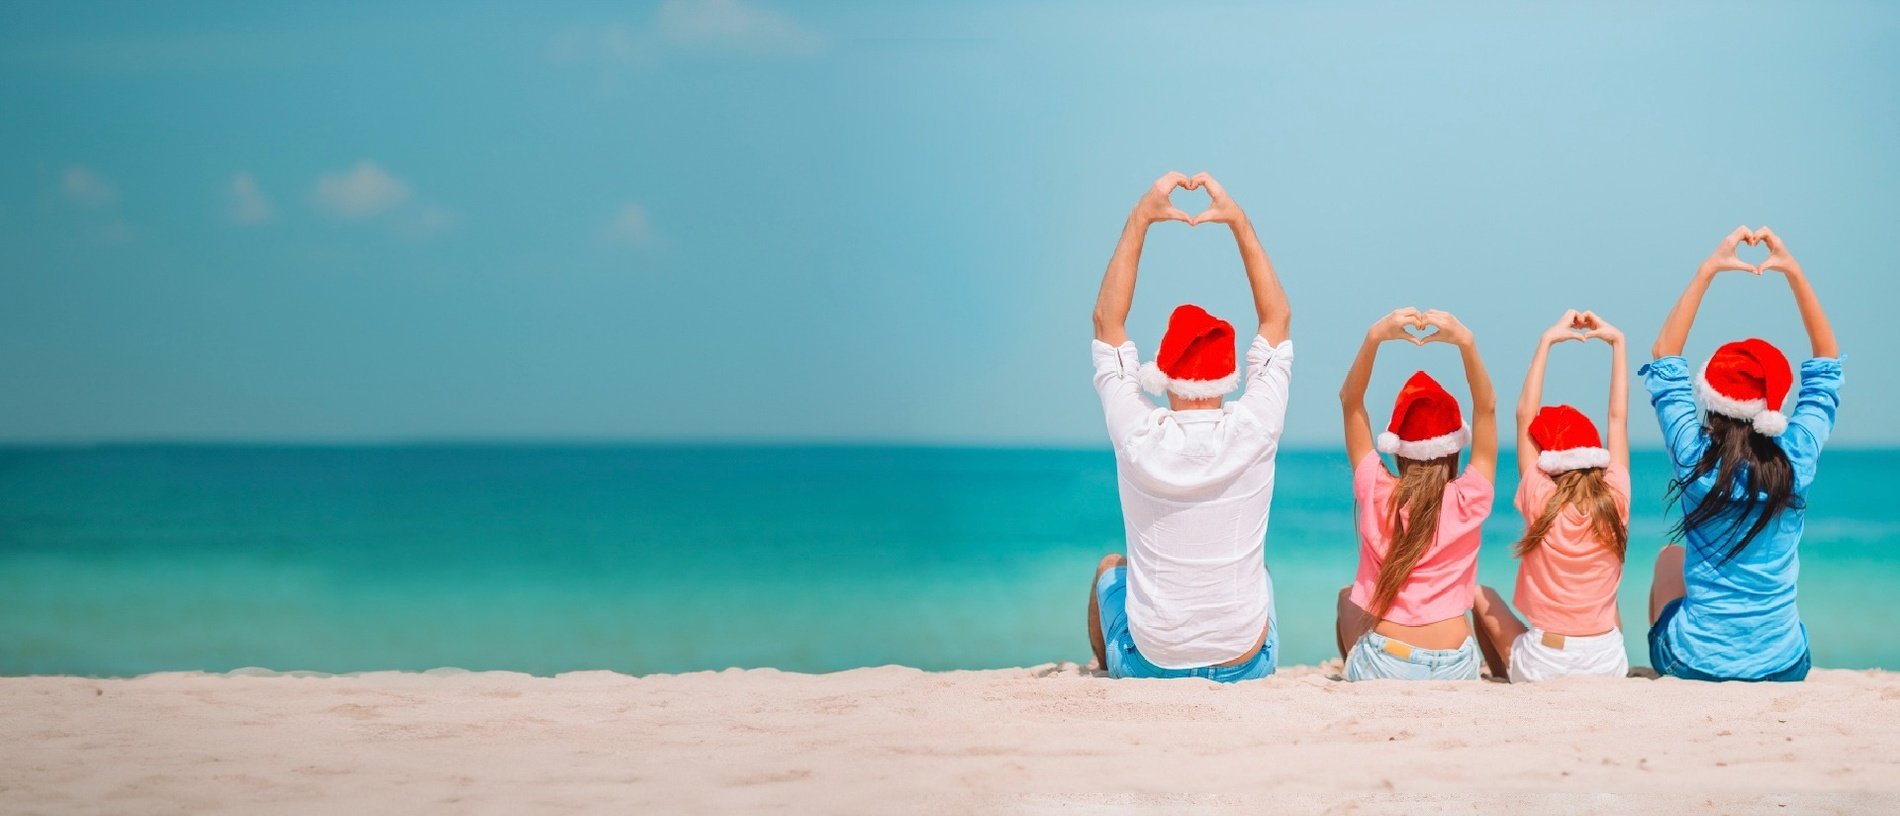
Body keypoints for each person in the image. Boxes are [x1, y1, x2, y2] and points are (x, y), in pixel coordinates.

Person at [1086, 171, 1293, 682]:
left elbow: (1106, 325)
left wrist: (1140, 220)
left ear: (1164, 375)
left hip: (1151, 667)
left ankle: (1111, 670)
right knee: (1259, 578)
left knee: (1110, 568)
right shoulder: (1255, 425)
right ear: (1228, 377)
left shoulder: (1139, 433)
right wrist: (1240, 224)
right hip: (1245, 666)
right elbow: (1277, 319)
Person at [1643, 226, 1841, 682]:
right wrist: (1794, 272)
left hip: (1693, 663)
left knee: (1669, 557)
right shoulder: (1796, 460)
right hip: (1786, 665)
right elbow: (1826, 364)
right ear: (1774, 406)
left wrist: (1706, 270)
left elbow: (1664, 355)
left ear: (1710, 403)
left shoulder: (1695, 459)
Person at [1334, 308, 1498, 681]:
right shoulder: (1471, 495)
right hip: (1456, 666)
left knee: (1347, 599)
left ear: (1397, 448)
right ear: (1455, 446)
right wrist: (1466, 343)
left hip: (1385, 662)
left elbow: (1350, 400)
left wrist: (1375, 336)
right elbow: (1486, 409)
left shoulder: (1377, 489)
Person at [1470, 310, 1633, 682]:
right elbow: (1617, 418)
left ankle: (1503, 673)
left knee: (1480, 592)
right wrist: (1617, 343)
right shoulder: (1616, 497)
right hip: (1609, 663)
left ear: (1549, 460)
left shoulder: (1540, 496)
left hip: (1546, 662)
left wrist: (1547, 341)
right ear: (1595, 456)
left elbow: (1524, 415)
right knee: (1608, 593)